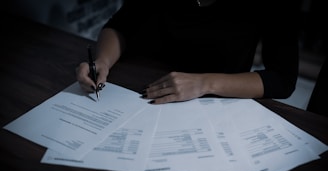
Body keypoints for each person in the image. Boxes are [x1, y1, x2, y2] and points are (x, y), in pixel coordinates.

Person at [76, 0, 300, 104]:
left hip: (218, 101)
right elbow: (121, 25)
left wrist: (204, 83)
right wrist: (103, 61)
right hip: (141, 90)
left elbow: (282, 79)